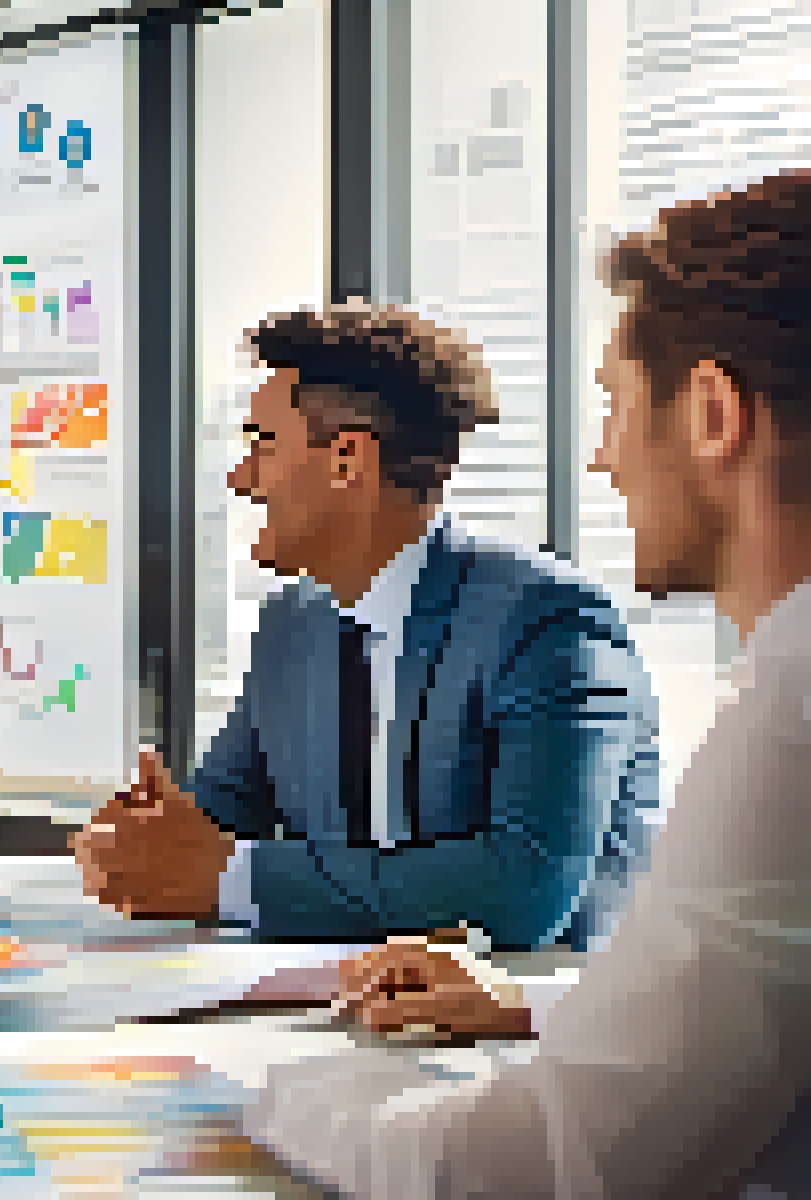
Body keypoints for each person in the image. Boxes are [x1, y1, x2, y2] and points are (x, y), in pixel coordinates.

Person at [245, 169, 811, 1200]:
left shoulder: (795, 708)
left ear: (715, 414)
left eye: (618, 406)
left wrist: (270, 1096)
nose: (602, 460)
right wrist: (546, 1010)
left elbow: (559, 1161)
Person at [72, 304, 659, 951]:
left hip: (528, 1027)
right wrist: (148, 837)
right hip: (342, 1009)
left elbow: (523, 891)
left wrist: (230, 876)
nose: (242, 480)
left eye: (263, 443)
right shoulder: (292, 624)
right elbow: (223, 811)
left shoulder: (549, 625)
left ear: (347, 458)